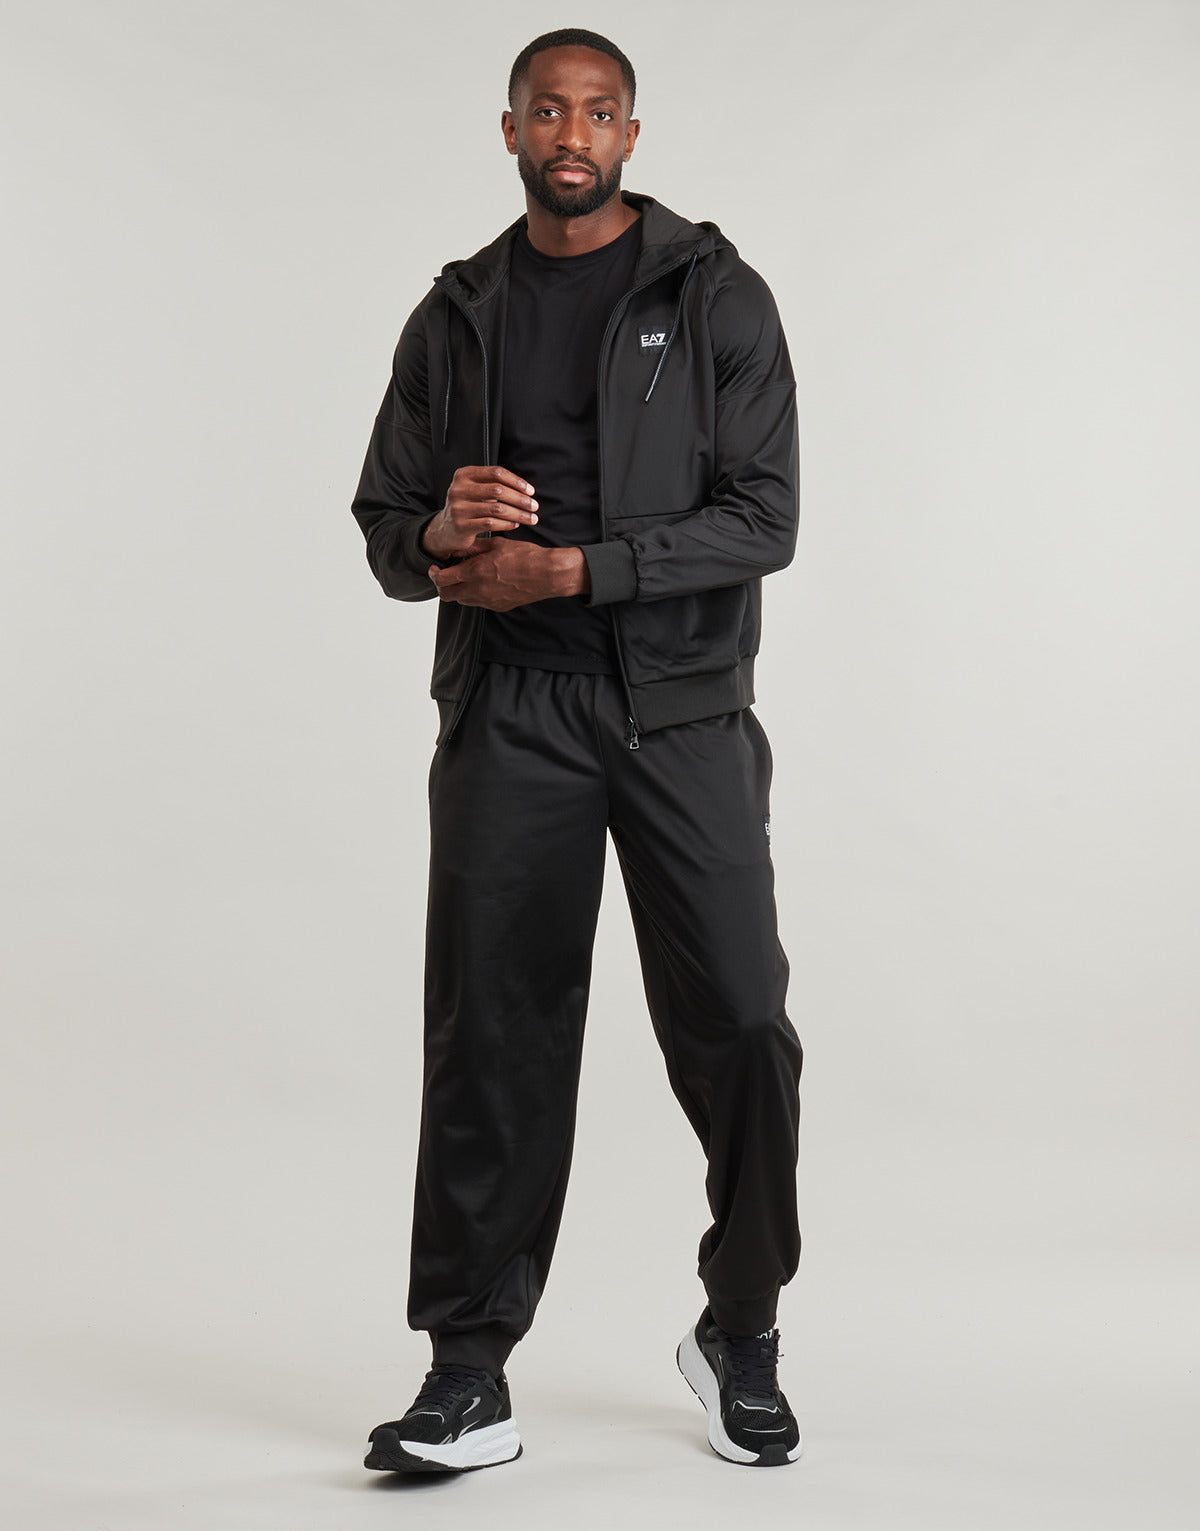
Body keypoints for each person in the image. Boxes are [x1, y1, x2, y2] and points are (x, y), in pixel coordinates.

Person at [351, 26, 804, 1472]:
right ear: (510, 130)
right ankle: (467, 1371)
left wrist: (580, 570)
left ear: (630, 134)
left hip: (682, 712)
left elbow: (766, 518)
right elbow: (384, 521)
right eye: (547, 110)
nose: (572, 134)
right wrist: (442, 532)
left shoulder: (715, 294)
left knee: (742, 1021)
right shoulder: (459, 310)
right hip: (510, 716)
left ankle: (741, 1326)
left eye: (598, 112)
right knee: (491, 1032)